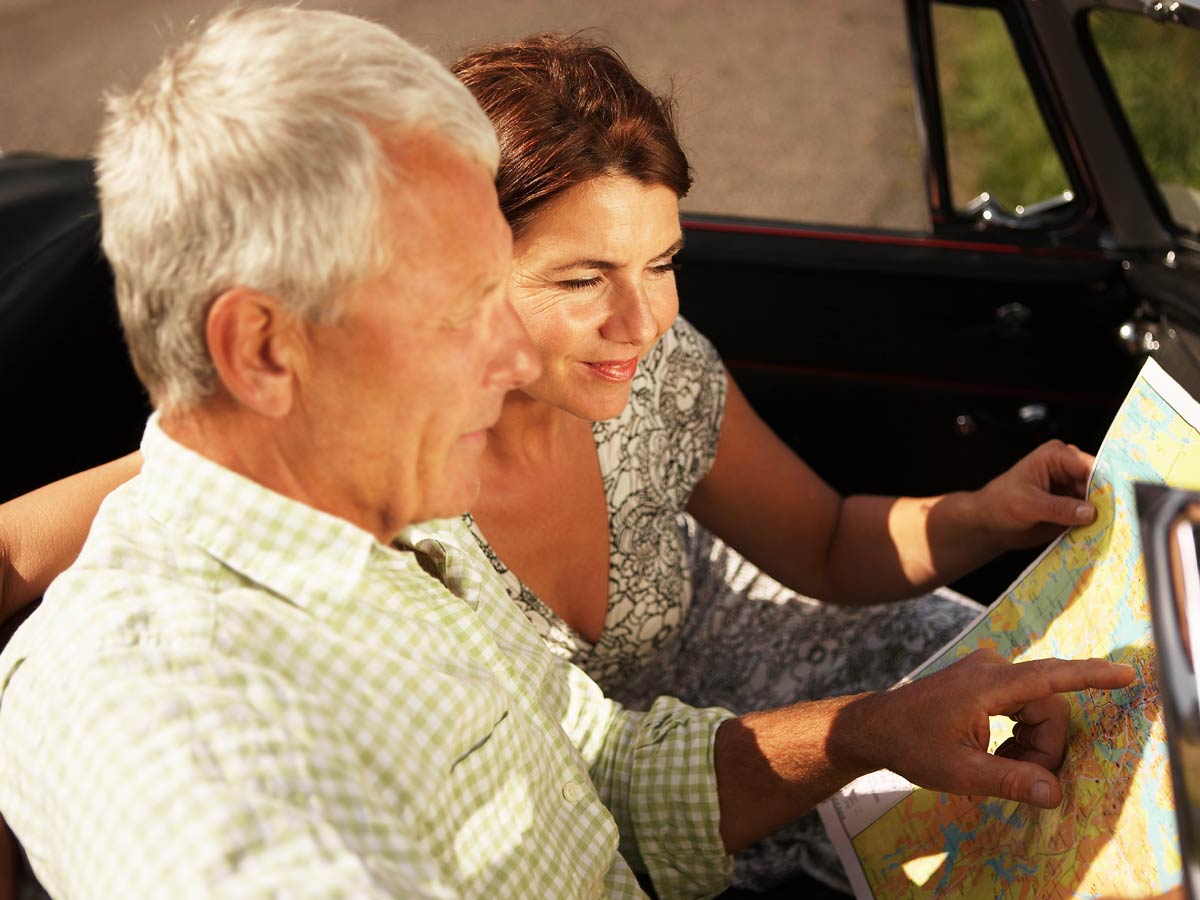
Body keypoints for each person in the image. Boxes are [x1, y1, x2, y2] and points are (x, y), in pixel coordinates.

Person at [0, 27, 1113, 896]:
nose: (518, 353)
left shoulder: (405, 528)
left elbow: (615, 774)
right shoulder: (175, 722)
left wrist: (867, 727)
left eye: (663, 263)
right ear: (265, 351)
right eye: (467, 304)